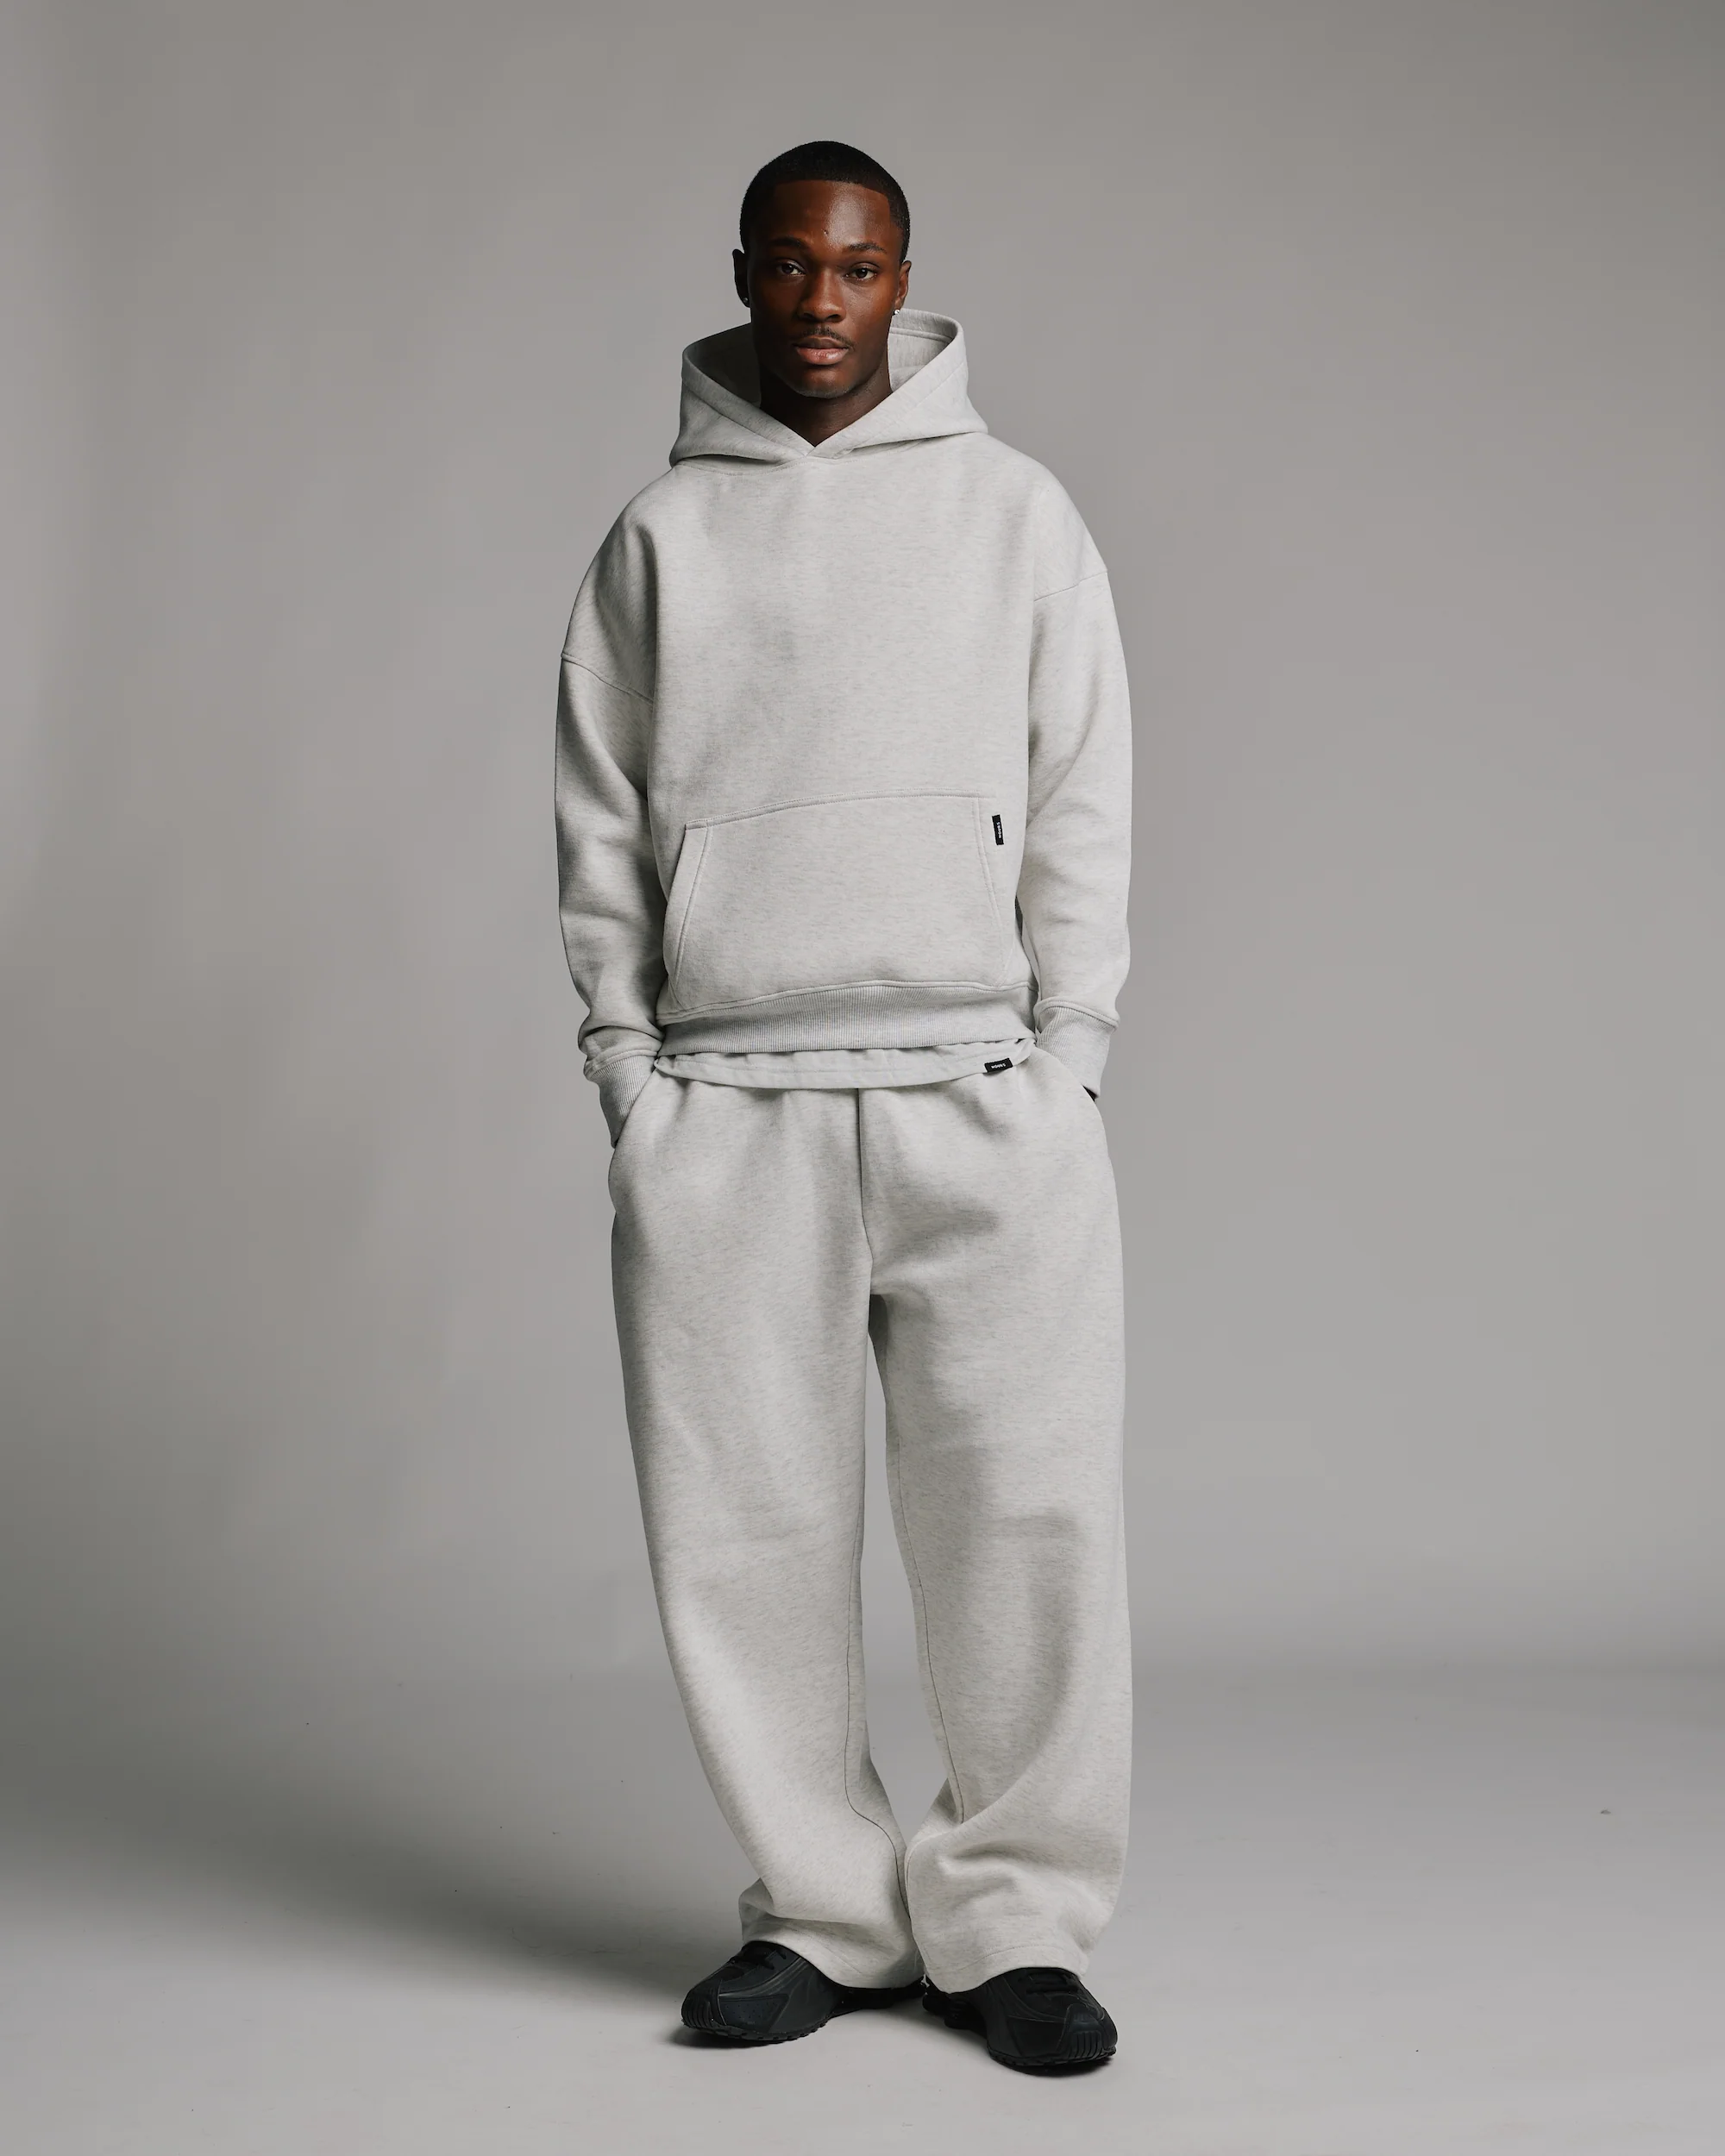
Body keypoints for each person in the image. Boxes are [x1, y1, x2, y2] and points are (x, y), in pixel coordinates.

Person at [555, 140, 1132, 2074]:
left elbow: (1082, 787)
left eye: (860, 267)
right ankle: (821, 1910)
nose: (823, 302)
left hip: (980, 1095)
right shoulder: (660, 538)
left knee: (1028, 1526)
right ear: (742, 271)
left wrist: (1070, 1060)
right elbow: (598, 825)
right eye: (793, 266)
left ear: (905, 279)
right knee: (745, 1536)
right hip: (730, 1107)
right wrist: (631, 1078)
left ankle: (1016, 1918)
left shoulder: (1016, 514)